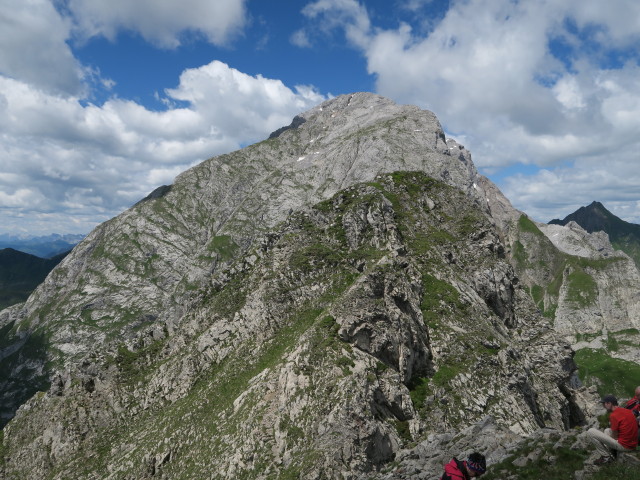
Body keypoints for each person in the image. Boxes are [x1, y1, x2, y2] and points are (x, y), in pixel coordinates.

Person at [587, 394, 639, 465]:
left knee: (591, 431)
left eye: (604, 404)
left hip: (625, 446)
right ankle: (611, 452)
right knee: (607, 430)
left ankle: (606, 457)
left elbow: (614, 436)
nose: (603, 406)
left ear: (609, 403)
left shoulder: (614, 415)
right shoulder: (626, 410)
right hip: (633, 444)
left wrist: (607, 440)